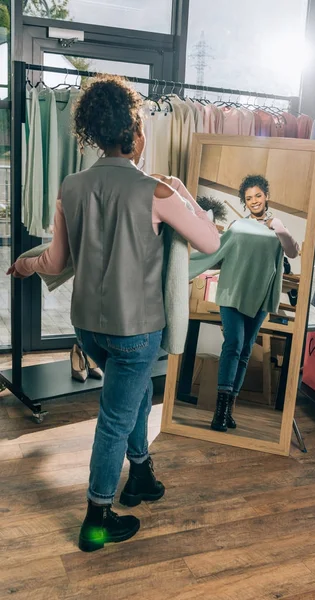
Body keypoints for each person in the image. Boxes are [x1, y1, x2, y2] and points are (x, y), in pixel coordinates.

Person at [7, 75, 220, 552]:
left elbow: (57, 262)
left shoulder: (73, 184)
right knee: (115, 419)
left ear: (95, 134)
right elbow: (211, 241)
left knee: (135, 391)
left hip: (87, 328)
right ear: (136, 132)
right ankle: (97, 518)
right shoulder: (156, 192)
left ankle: (141, 474)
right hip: (136, 329)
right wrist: (182, 190)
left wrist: (24, 264)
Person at [211, 174, 299, 432]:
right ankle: (219, 412)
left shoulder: (276, 225)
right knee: (234, 344)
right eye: (248, 198)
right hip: (233, 293)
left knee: (246, 348)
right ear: (244, 202)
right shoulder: (238, 225)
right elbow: (218, 251)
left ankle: (229, 409)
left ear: (266, 196)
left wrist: (280, 228)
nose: (254, 201)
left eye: (258, 196)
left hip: (260, 296)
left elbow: (292, 252)